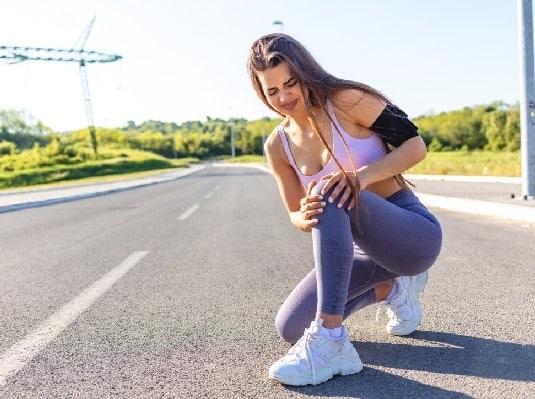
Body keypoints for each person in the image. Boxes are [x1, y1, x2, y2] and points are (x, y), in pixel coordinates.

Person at [247, 33, 442, 387]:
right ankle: (393, 291)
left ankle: (331, 340)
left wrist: (361, 178)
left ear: (306, 73)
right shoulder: (278, 145)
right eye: (271, 90)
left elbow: (416, 145)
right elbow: (294, 212)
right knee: (290, 326)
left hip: (411, 235)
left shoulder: (347, 102)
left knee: (331, 189)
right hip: (361, 252)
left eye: (290, 83)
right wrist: (304, 215)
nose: (284, 97)